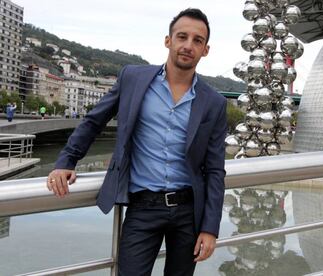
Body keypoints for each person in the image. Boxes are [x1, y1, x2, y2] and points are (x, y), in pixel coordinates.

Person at [46, 8, 227, 276]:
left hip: (188, 212)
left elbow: (214, 170)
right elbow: (95, 120)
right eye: (182, 37)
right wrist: (67, 160)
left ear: (205, 50)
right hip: (143, 207)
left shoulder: (214, 102)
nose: (188, 46)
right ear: (168, 41)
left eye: (197, 41)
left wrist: (210, 228)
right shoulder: (133, 78)